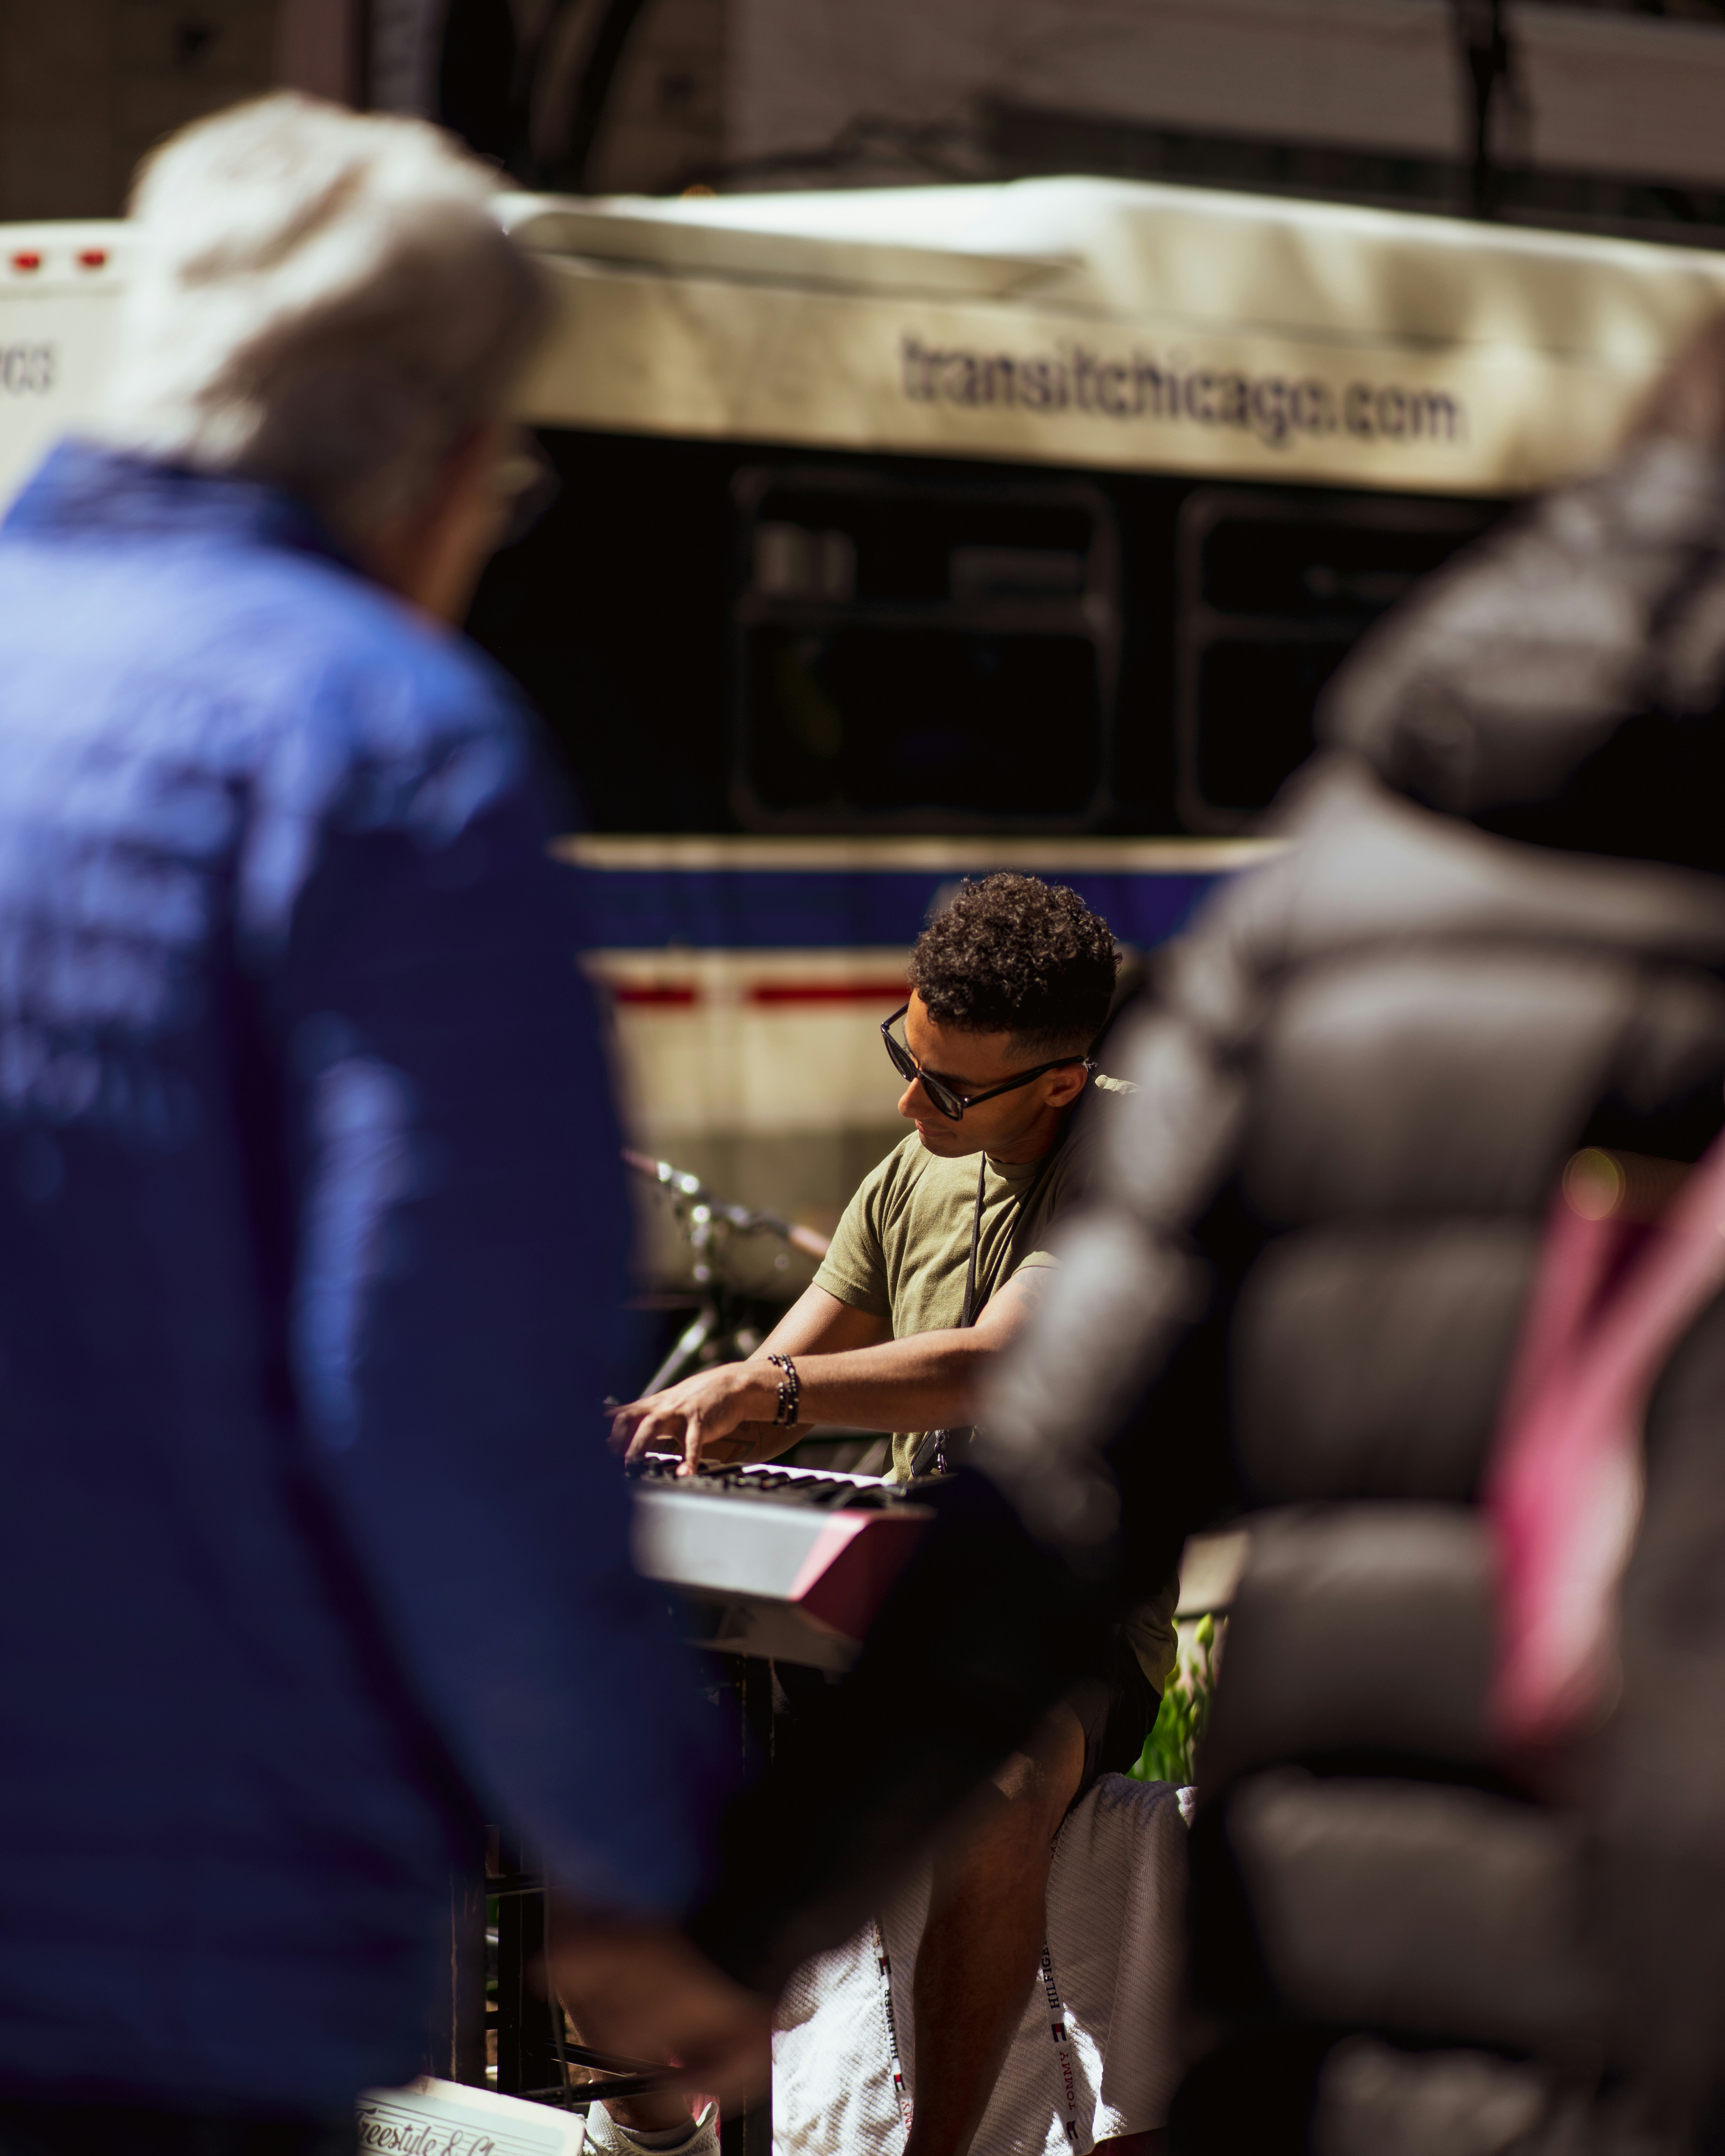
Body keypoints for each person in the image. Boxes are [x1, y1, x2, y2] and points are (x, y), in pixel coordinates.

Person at [0, 93, 767, 2156]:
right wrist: (629, 1861)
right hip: (144, 1963)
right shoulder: (379, 751)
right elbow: (445, 1394)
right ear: (442, 462)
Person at [612, 874, 1178, 2156]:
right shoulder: (918, 1162)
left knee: (999, 1772)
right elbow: (781, 1392)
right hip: (889, 1604)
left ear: (1061, 1082)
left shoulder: (1141, 1156)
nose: (909, 1103)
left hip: (1066, 1622)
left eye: (948, 1087)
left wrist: (779, 1380)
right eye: (904, 1055)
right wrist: (665, 1422)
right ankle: (652, 2120)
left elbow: (998, 1357)